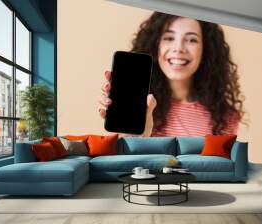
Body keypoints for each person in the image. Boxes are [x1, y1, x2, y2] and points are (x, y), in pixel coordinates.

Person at [99, 12, 244, 137]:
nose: (179, 48)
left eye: (191, 40)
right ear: (156, 46)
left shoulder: (226, 118)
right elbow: (125, 165)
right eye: (169, 38)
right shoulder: (137, 105)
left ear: (206, 50)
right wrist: (132, 138)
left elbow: (221, 168)